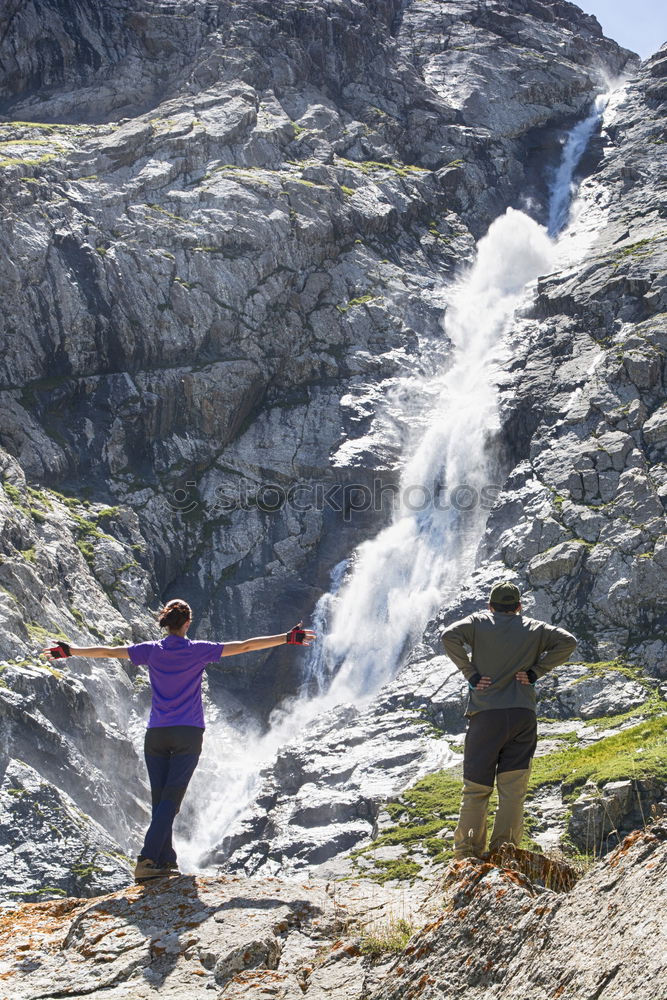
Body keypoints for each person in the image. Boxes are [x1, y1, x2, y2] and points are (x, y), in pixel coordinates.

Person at [45, 599, 315, 882]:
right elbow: (246, 645)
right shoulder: (198, 650)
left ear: (166, 622)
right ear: (187, 623)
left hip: (157, 733)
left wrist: (71, 650)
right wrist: (286, 638)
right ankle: (147, 859)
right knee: (170, 801)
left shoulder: (150, 650)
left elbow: (109, 651)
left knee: (161, 800)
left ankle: (165, 859)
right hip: (188, 732)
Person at [441, 581, 576, 861]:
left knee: (477, 789)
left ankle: (467, 853)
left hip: (486, 716)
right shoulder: (535, 628)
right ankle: (506, 852)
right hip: (522, 716)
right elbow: (568, 641)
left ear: (490, 605)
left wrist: (470, 673)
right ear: (519, 606)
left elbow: (448, 636)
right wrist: (537, 671)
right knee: (513, 790)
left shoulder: (478, 622)